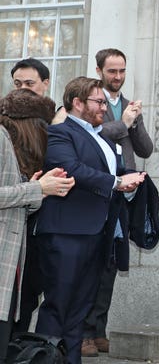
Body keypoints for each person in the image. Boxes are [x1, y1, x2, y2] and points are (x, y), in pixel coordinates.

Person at [35, 76, 146, 364]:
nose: (103, 108)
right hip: (66, 233)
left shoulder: (102, 137)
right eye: (98, 102)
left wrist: (132, 180)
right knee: (58, 305)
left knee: (80, 310)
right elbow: (71, 169)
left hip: (98, 233)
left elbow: (114, 171)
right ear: (77, 103)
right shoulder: (61, 132)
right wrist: (117, 180)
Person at [81, 48, 154, 357]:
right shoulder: (89, 100)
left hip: (123, 194)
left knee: (111, 262)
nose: (118, 77)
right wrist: (122, 123)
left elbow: (146, 149)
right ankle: (82, 332)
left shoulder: (127, 105)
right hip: (97, 190)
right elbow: (90, 135)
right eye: (112, 71)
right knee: (91, 264)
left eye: (122, 70)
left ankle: (99, 330)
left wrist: (134, 122)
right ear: (99, 71)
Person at [0, 89, 75, 363]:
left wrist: (39, 190)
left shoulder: (12, 144)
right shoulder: (0, 137)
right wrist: (35, 188)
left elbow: (16, 197)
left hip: (10, 270)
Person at [9, 59, 56, 335]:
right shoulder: (5, 122)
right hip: (13, 215)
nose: (23, 90)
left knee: (29, 295)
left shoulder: (55, 120)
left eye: (29, 84)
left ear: (45, 84)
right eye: (17, 84)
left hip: (44, 222)